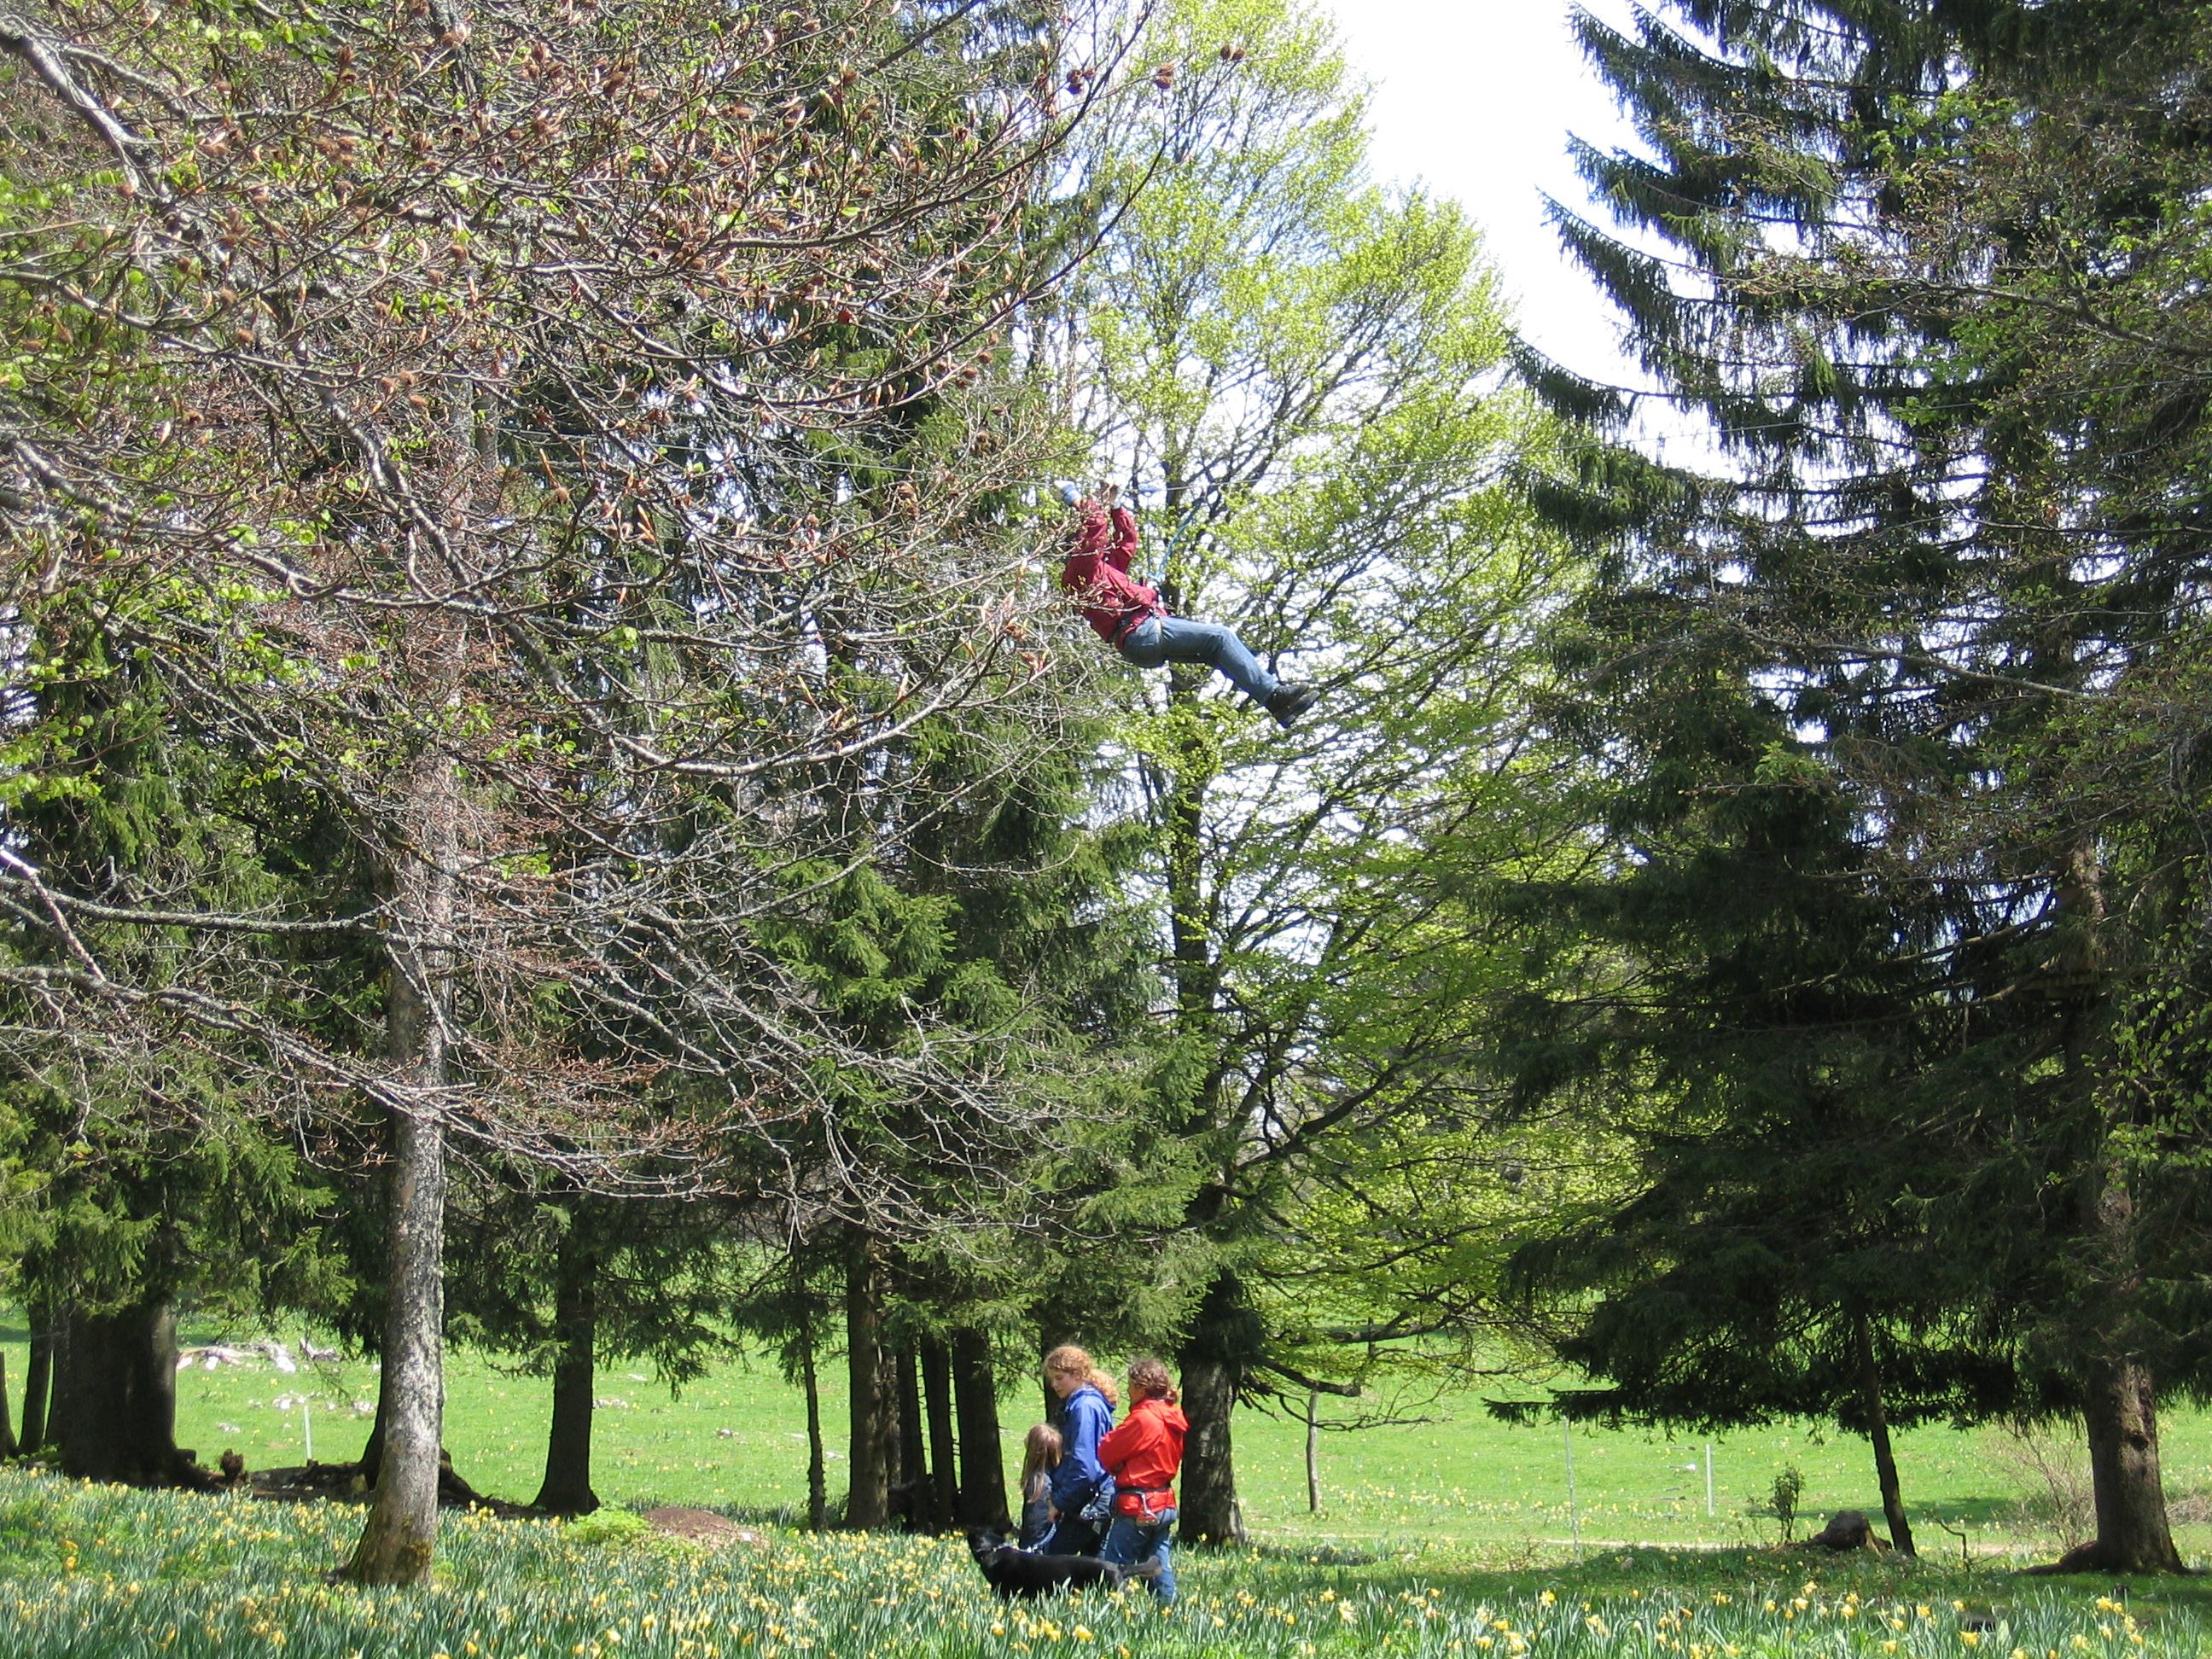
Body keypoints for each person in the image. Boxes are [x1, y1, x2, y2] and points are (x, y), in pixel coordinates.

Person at [1058, 485, 1319, 730]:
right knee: (1220, 637)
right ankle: (1274, 696)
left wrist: (1115, 507)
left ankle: (1276, 703)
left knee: (1217, 650)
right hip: (1140, 633)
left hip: (1140, 637)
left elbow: (1126, 542)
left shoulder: (1100, 570)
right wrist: (1080, 500)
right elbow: (1095, 527)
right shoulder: (1079, 569)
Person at [1094, 1357, 1186, 1604]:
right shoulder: (1172, 1416)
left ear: (1141, 1388)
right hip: (1163, 1502)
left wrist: (1120, 1464)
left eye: (1130, 1385)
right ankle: (1169, 1612)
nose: (1127, 1391)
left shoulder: (1144, 1419)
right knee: (1157, 1565)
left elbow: (1107, 1451)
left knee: (1114, 1566)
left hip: (1139, 1505)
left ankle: (1111, 1612)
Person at [1038, 1343, 1119, 1557]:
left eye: (1059, 1378)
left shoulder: (1084, 1407)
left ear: (1077, 1374)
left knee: (1052, 1562)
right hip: (1098, 1495)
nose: (1054, 1385)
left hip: (1090, 1500)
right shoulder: (1088, 1403)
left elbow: (1085, 1467)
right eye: (1052, 1379)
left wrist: (1060, 1502)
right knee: (1093, 1567)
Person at [1016, 1423, 1064, 1547]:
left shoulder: (1039, 1484)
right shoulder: (1054, 1478)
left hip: (1037, 1549)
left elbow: (1034, 1527)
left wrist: (1027, 1548)